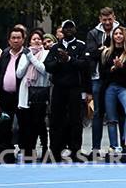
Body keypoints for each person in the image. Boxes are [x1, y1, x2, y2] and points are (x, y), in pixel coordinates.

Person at [44, 19, 88, 159]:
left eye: (71, 27)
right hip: (59, 88)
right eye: (66, 27)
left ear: (75, 29)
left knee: (75, 120)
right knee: (56, 120)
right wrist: (58, 61)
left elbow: (85, 65)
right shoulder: (55, 47)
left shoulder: (81, 45)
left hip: (74, 88)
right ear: (61, 30)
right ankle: (56, 151)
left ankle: (75, 151)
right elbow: (48, 66)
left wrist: (69, 59)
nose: (68, 30)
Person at [85, 7, 119, 153]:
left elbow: (125, 51)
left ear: (114, 18)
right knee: (98, 113)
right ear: (100, 19)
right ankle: (96, 148)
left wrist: (102, 51)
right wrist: (103, 52)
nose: (107, 22)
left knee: (116, 113)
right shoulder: (93, 33)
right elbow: (90, 54)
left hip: (115, 78)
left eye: (109, 19)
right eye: (104, 20)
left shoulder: (120, 31)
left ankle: (117, 145)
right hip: (97, 77)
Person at [16, 29, 50, 161]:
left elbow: (44, 70)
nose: (36, 41)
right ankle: (29, 151)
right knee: (26, 124)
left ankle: (44, 147)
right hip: (26, 92)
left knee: (39, 123)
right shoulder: (24, 54)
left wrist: (31, 57)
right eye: (34, 39)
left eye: (39, 39)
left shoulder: (46, 53)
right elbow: (19, 73)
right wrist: (28, 57)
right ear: (29, 41)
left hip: (39, 93)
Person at [100, 25, 126, 153]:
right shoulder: (107, 53)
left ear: (124, 36)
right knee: (111, 119)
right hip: (110, 87)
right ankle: (114, 145)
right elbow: (103, 73)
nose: (118, 36)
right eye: (116, 34)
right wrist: (113, 68)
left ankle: (125, 141)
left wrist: (121, 67)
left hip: (124, 88)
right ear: (112, 36)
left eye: (121, 33)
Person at [0, 26, 27, 117]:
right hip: (4, 96)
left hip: (20, 96)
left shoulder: (27, 55)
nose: (16, 41)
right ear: (9, 40)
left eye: (18, 38)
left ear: (23, 40)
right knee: (4, 123)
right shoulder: (5, 54)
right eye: (13, 38)